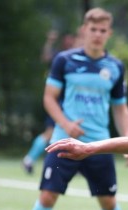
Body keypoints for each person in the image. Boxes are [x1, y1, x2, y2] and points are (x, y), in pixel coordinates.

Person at [19, 8, 128, 210]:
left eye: (102, 30)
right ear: (84, 30)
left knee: (109, 202)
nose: (97, 35)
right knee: (47, 196)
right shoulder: (64, 60)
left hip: (99, 146)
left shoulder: (115, 67)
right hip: (64, 143)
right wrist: (67, 124)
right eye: (92, 30)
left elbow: (120, 107)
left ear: (109, 33)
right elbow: (49, 98)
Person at [21, 29, 81, 175]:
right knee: (50, 133)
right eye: (66, 39)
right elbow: (46, 57)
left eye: (72, 38)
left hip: (76, 106)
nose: (69, 41)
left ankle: (80, 163)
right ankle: (29, 159)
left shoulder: (81, 58)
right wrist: (49, 41)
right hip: (60, 105)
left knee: (76, 133)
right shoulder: (61, 58)